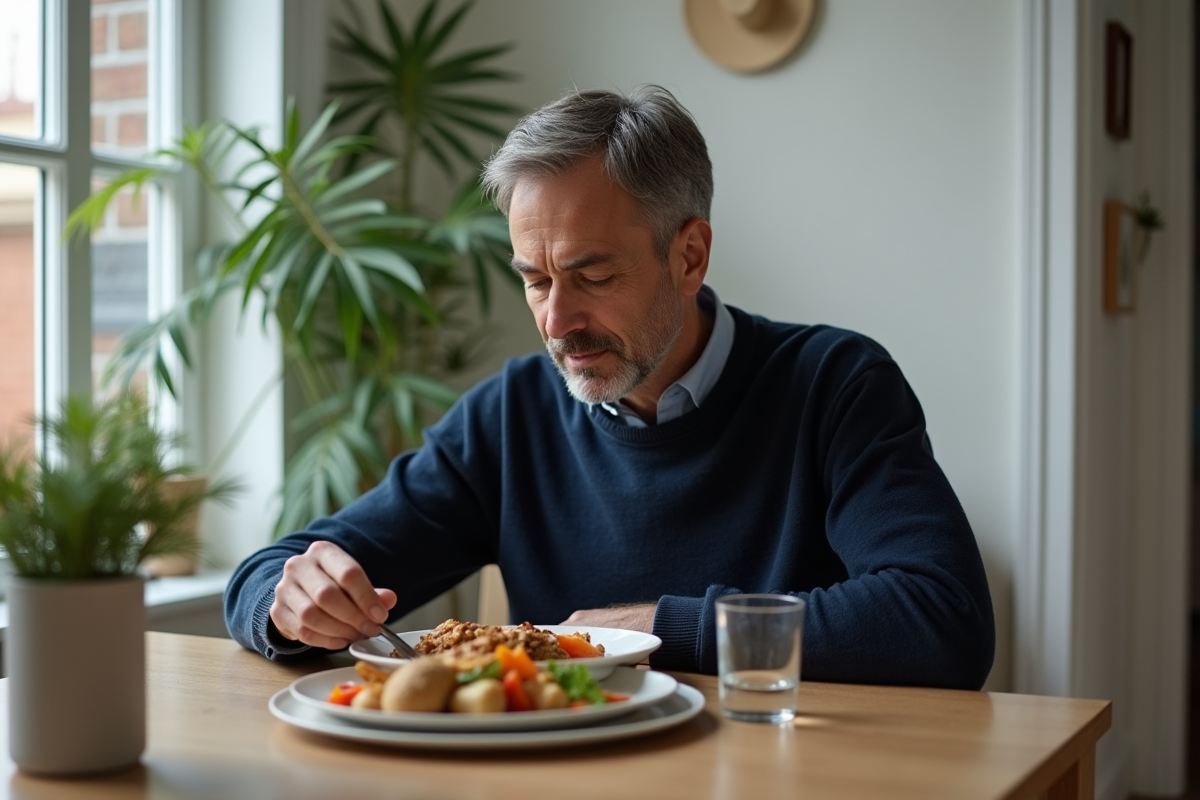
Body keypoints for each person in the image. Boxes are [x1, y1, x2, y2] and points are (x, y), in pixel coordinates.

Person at [224, 85, 995, 689]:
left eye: (592, 275)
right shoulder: (510, 416)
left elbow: (942, 620)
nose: (558, 321)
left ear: (689, 256)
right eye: (534, 280)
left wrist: (663, 626)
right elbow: (274, 571)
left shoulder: (835, 385)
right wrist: (290, 602)